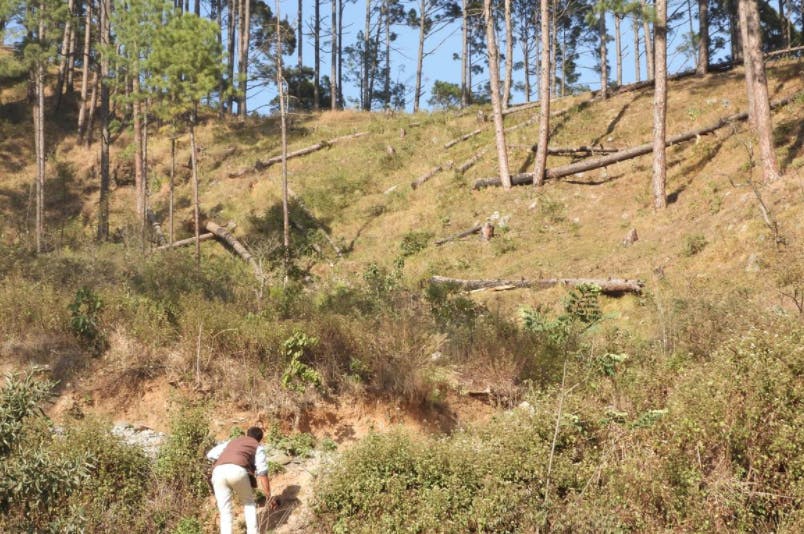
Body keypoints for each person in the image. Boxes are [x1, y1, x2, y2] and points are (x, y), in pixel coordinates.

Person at [206, 426, 272, 534]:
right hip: (238, 471)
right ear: (260, 439)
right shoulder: (257, 447)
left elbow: (210, 454)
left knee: (225, 511)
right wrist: (268, 496)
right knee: (249, 503)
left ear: (247, 434)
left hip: (218, 472)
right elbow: (262, 472)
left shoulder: (231, 442)